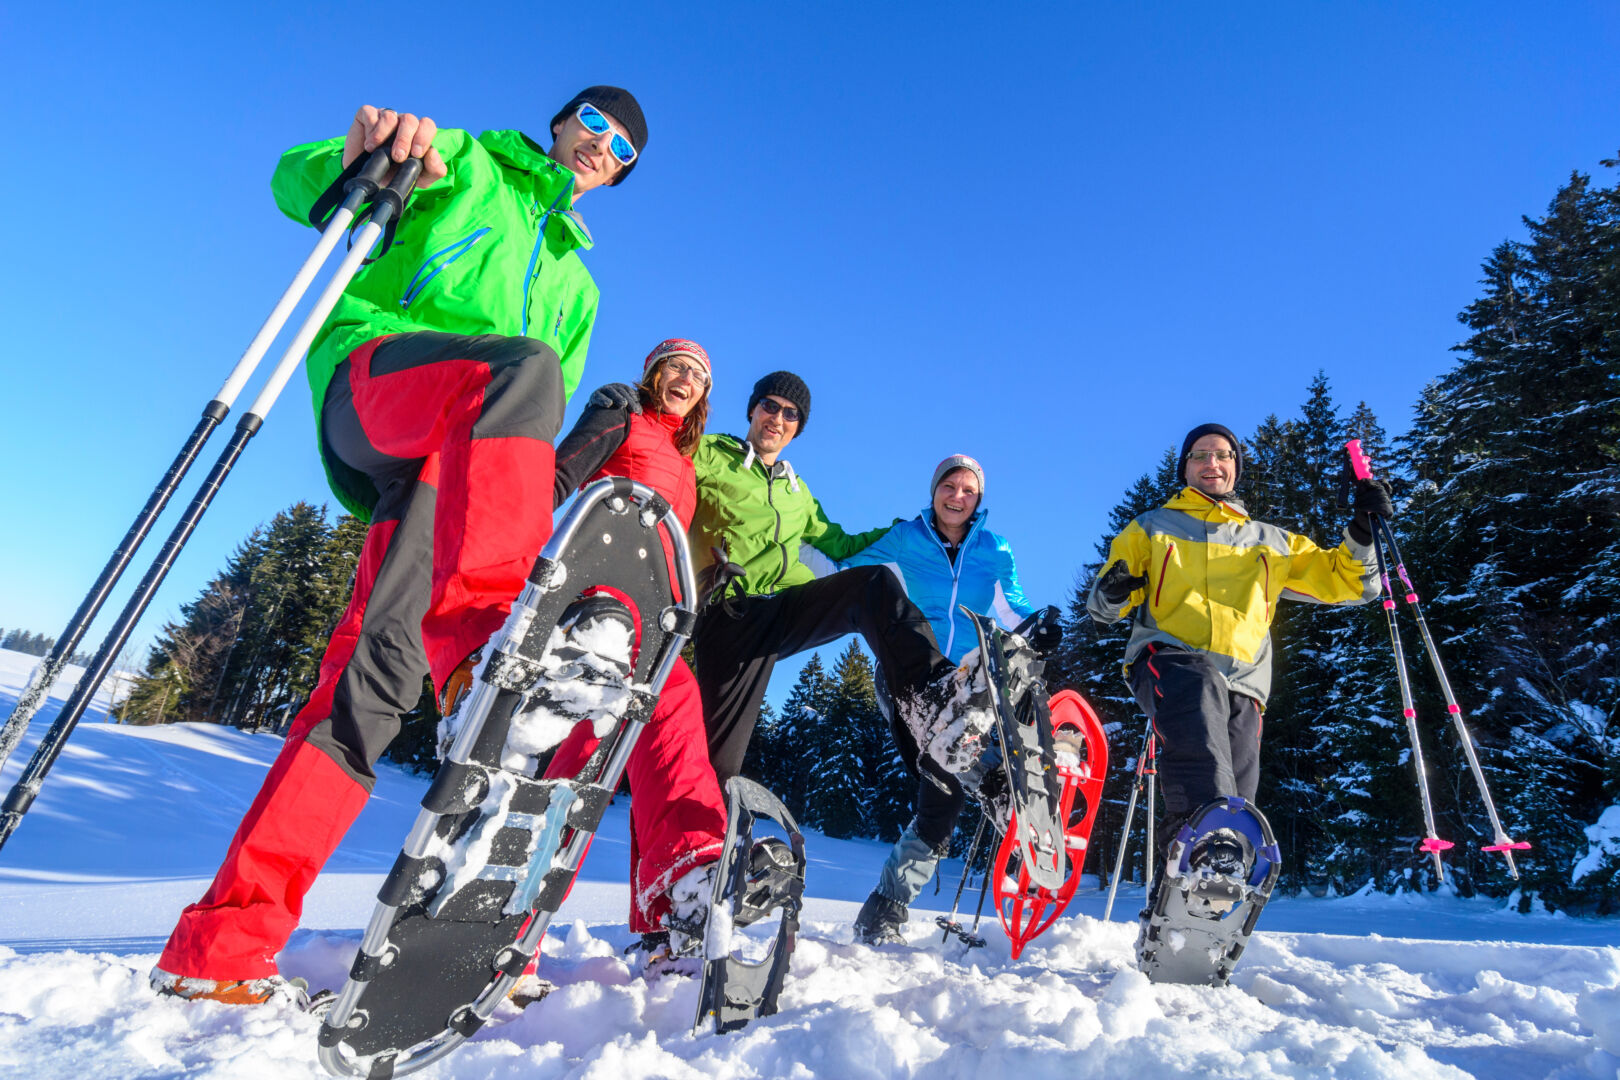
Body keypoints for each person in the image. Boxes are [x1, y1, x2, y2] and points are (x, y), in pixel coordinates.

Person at [153, 87, 649, 1005]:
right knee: (524, 369)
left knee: (369, 685)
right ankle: (488, 646)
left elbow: (526, 442)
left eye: (622, 148)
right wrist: (364, 153)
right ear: (561, 123)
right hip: (378, 381)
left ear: (619, 174)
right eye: (594, 123)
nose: (602, 145)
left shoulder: (578, 287)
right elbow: (293, 180)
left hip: (455, 476)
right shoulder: (466, 164)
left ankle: (221, 947)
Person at [1086, 423, 1392, 875]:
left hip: (1244, 680)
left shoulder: (1270, 542)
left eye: (1223, 455)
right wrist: (1113, 591)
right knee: (1199, 692)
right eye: (1200, 455)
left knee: (1238, 795)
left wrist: (1363, 532)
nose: (1212, 463)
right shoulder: (1151, 529)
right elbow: (1102, 608)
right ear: (1185, 467)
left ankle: (1202, 906)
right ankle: (1198, 843)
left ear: (1236, 467)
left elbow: (1347, 580)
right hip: (1168, 659)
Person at [688, 374, 992, 803]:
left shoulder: (798, 492)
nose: (778, 418)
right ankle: (694, 850)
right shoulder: (711, 454)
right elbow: (662, 462)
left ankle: (936, 696)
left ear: (798, 426)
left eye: (790, 414)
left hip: (781, 608)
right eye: (770, 406)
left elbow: (841, 544)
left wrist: (906, 532)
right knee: (715, 769)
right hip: (728, 613)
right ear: (752, 410)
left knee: (872, 584)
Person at [536, 340, 728, 962]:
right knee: (586, 749)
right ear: (652, 373)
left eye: (698, 375)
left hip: (657, 620)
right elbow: (556, 481)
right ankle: (509, 912)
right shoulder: (625, 418)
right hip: (600, 608)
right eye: (676, 367)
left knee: (662, 725)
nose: (686, 378)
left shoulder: (684, 458)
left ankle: (683, 892)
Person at [836, 454, 1061, 945]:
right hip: (907, 675)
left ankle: (886, 908)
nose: (957, 497)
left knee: (943, 791)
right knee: (948, 775)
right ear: (934, 489)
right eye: (949, 487)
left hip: (972, 686)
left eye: (968, 491)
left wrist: (1035, 626)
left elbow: (1011, 604)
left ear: (979, 500)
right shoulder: (906, 539)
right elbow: (848, 574)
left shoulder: (993, 548)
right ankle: (1001, 787)